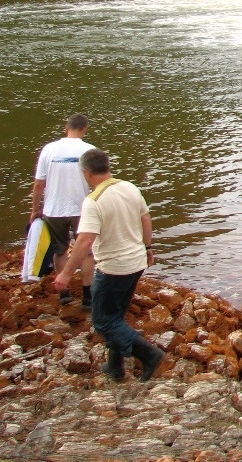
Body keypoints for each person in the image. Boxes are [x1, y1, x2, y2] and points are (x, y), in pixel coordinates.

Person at [53, 148, 165, 382]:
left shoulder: (93, 201)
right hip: (136, 262)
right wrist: (148, 247)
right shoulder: (129, 187)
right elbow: (145, 217)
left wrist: (65, 273)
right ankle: (115, 367)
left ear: (85, 173)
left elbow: (84, 240)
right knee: (116, 316)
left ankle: (149, 354)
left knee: (103, 321)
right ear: (107, 166)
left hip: (114, 268)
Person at [30, 113, 96, 308]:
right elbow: (96, 183)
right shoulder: (89, 150)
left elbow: (39, 184)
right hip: (81, 209)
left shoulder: (48, 149)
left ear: (65, 128)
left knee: (59, 251)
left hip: (53, 209)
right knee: (86, 253)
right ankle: (87, 296)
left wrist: (34, 209)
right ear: (84, 129)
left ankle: (64, 294)